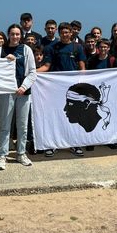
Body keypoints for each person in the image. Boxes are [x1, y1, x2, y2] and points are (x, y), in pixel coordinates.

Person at [37, 22, 86, 157]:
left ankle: (75, 144)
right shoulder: (52, 48)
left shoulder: (78, 47)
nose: (65, 34)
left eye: (67, 32)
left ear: (71, 33)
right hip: (55, 88)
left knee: (74, 116)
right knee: (55, 116)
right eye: (62, 32)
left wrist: (82, 84)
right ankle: (52, 145)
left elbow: (82, 68)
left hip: (73, 89)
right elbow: (46, 67)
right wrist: (32, 72)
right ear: (59, 33)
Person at [0, 24, 37, 170]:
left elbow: (32, 72)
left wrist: (23, 87)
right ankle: (2, 155)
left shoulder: (26, 49)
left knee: (22, 125)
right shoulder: (0, 51)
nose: (15, 37)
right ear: (8, 35)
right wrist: (4, 62)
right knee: (5, 125)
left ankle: (20, 153)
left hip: (23, 93)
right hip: (6, 93)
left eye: (17, 34)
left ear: (21, 35)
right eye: (12, 34)